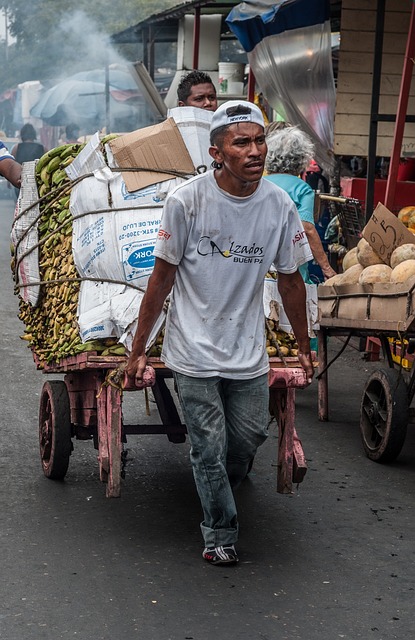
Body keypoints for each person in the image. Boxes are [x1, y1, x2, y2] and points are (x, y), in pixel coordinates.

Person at [126, 100, 314, 566]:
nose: (255, 151)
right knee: (208, 446)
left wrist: (304, 348)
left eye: (259, 140)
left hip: (247, 354)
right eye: (242, 142)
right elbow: (161, 279)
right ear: (216, 152)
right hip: (192, 350)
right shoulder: (186, 202)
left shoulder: (278, 204)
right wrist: (139, 350)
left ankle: (217, 492)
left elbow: (290, 281)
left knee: (246, 441)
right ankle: (220, 533)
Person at [264, 125, 336, 281]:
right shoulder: (302, 189)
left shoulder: (259, 183)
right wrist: (326, 268)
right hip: (290, 268)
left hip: (259, 262)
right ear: (302, 159)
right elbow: (307, 229)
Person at [11, 124, 45, 197]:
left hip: (20, 180)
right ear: (34, 134)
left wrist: (10, 180)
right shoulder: (42, 148)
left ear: (22, 134)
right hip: (37, 181)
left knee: (21, 203)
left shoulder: (16, 148)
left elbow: (11, 164)